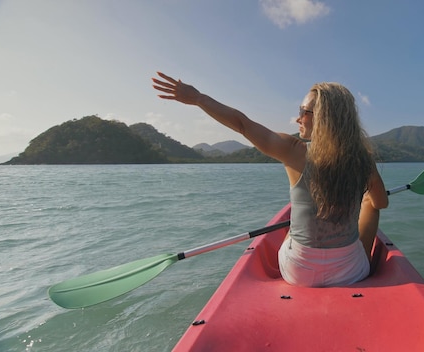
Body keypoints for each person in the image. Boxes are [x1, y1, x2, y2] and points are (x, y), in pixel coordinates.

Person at [152, 72, 388, 287]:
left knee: (293, 225)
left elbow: (242, 124)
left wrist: (198, 98)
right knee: (371, 204)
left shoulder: (293, 150)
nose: (297, 119)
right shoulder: (363, 160)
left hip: (299, 273)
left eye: (303, 112)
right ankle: (356, 257)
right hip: (349, 273)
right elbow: (381, 203)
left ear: (325, 117)